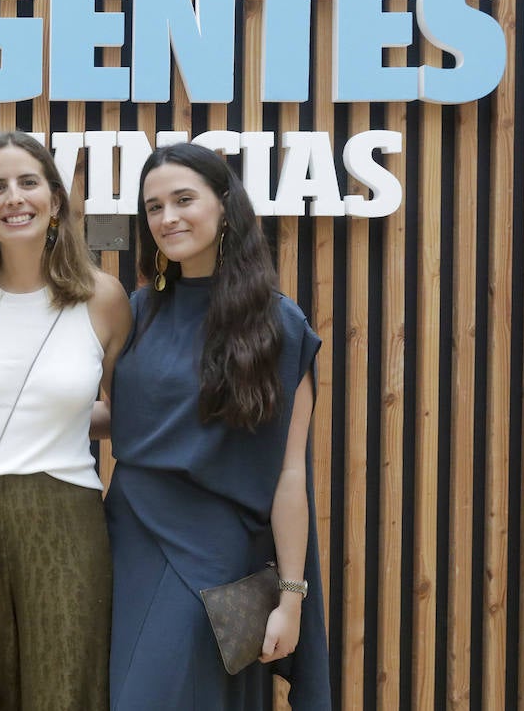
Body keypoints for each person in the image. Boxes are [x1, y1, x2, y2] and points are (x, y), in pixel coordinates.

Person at [106, 142, 332, 709]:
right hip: (127, 538)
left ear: (226, 206)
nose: (168, 217)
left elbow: (288, 474)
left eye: (184, 199)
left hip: (217, 558)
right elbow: (118, 418)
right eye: (153, 207)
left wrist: (292, 597)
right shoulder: (134, 312)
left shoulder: (279, 324)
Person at [0, 131, 132, 711]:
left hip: (66, 513)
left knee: (68, 688)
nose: (14, 198)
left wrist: (63, 422)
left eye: (28, 182)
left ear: (55, 200)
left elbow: (128, 417)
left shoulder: (103, 298)